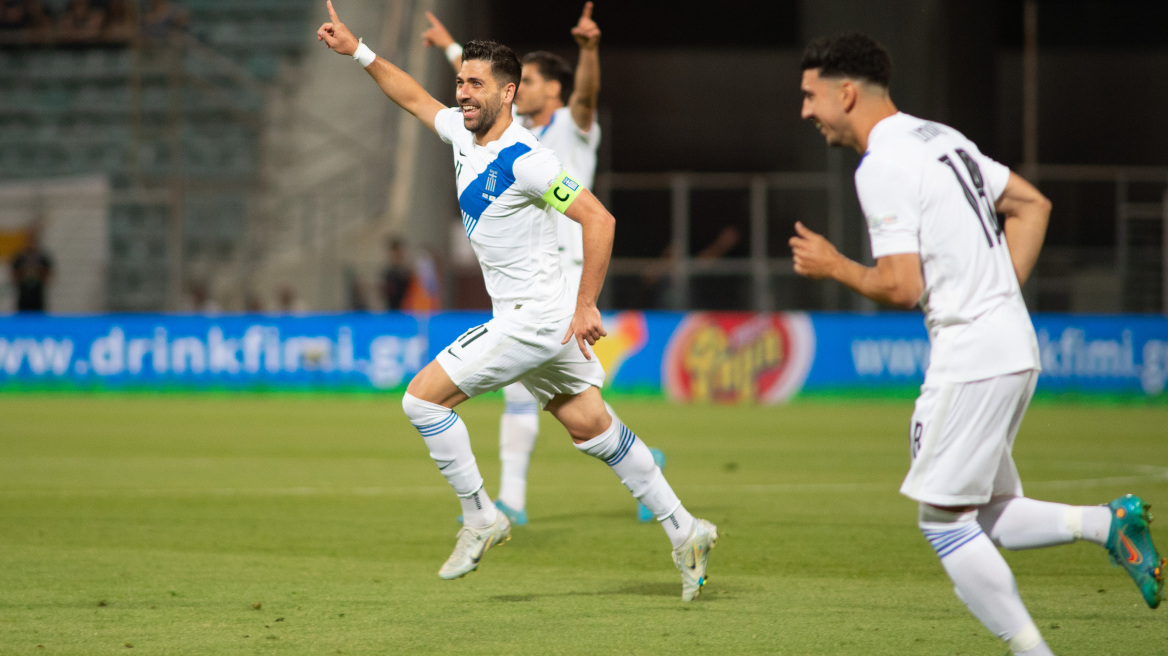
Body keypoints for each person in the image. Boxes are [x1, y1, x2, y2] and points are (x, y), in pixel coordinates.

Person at [317, 1, 716, 600]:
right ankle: (685, 528)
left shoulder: (527, 160)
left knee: (422, 403)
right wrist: (361, 53)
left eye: (476, 84)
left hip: (537, 318)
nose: (463, 92)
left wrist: (587, 305)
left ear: (508, 94)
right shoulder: (459, 130)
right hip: (538, 319)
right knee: (590, 427)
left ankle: (482, 516)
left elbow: (598, 220)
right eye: (460, 82)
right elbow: (412, 97)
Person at [790, 32, 1163, 654]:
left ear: (845, 93)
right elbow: (1032, 204)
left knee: (941, 523)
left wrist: (835, 266)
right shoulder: (941, 137)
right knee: (987, 509)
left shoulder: (882, 165)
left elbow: (901, 286)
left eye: (809, 95)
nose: (805, 111)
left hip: (972, 355)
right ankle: (1108, 523)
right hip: (1008, 343)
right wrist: (998, 292)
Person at [422, 3, 663, 526]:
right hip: (542, 266)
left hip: (570, 273)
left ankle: (508, 501)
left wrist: (590, 51)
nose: (524, 87)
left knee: (529, 394)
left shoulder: (574, 126)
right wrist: (451, 49)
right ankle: (640, 484)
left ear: (552, 89)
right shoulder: (517, 133)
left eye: (532, 80)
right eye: (520, 81)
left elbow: (586, 95)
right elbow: (482, 89)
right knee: (567, 407)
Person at [10, 224, 53, 313]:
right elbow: (13, 277)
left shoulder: (42, 257)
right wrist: (23, 272)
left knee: (38, 322)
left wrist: (39, 272)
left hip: (38, 298)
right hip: (23, 298)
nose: (31, 241)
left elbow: (49, 277)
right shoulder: (19, 257)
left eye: (32, 238)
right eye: (29, 238)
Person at [380, 236, 412, 311]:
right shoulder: (388, 273)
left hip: (407, 310)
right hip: (392, 310)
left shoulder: (407, 272)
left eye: (400, 252)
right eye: (396, 253)